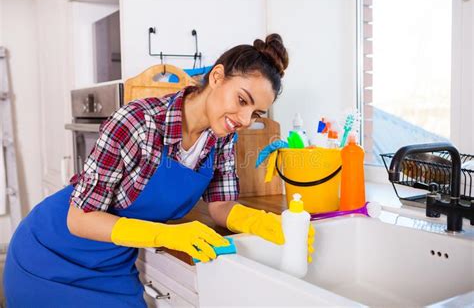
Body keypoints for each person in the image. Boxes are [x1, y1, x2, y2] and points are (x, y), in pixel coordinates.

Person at [3, 33, 314, 307]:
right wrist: (164, 234)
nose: (246, 119)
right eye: (242, 100)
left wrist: (263, 223)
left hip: (113, 260)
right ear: (217, 76)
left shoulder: (222, 137)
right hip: (51, 255)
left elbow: (221, 206)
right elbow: (79, 218)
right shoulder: (137, 122)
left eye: (256, 112)